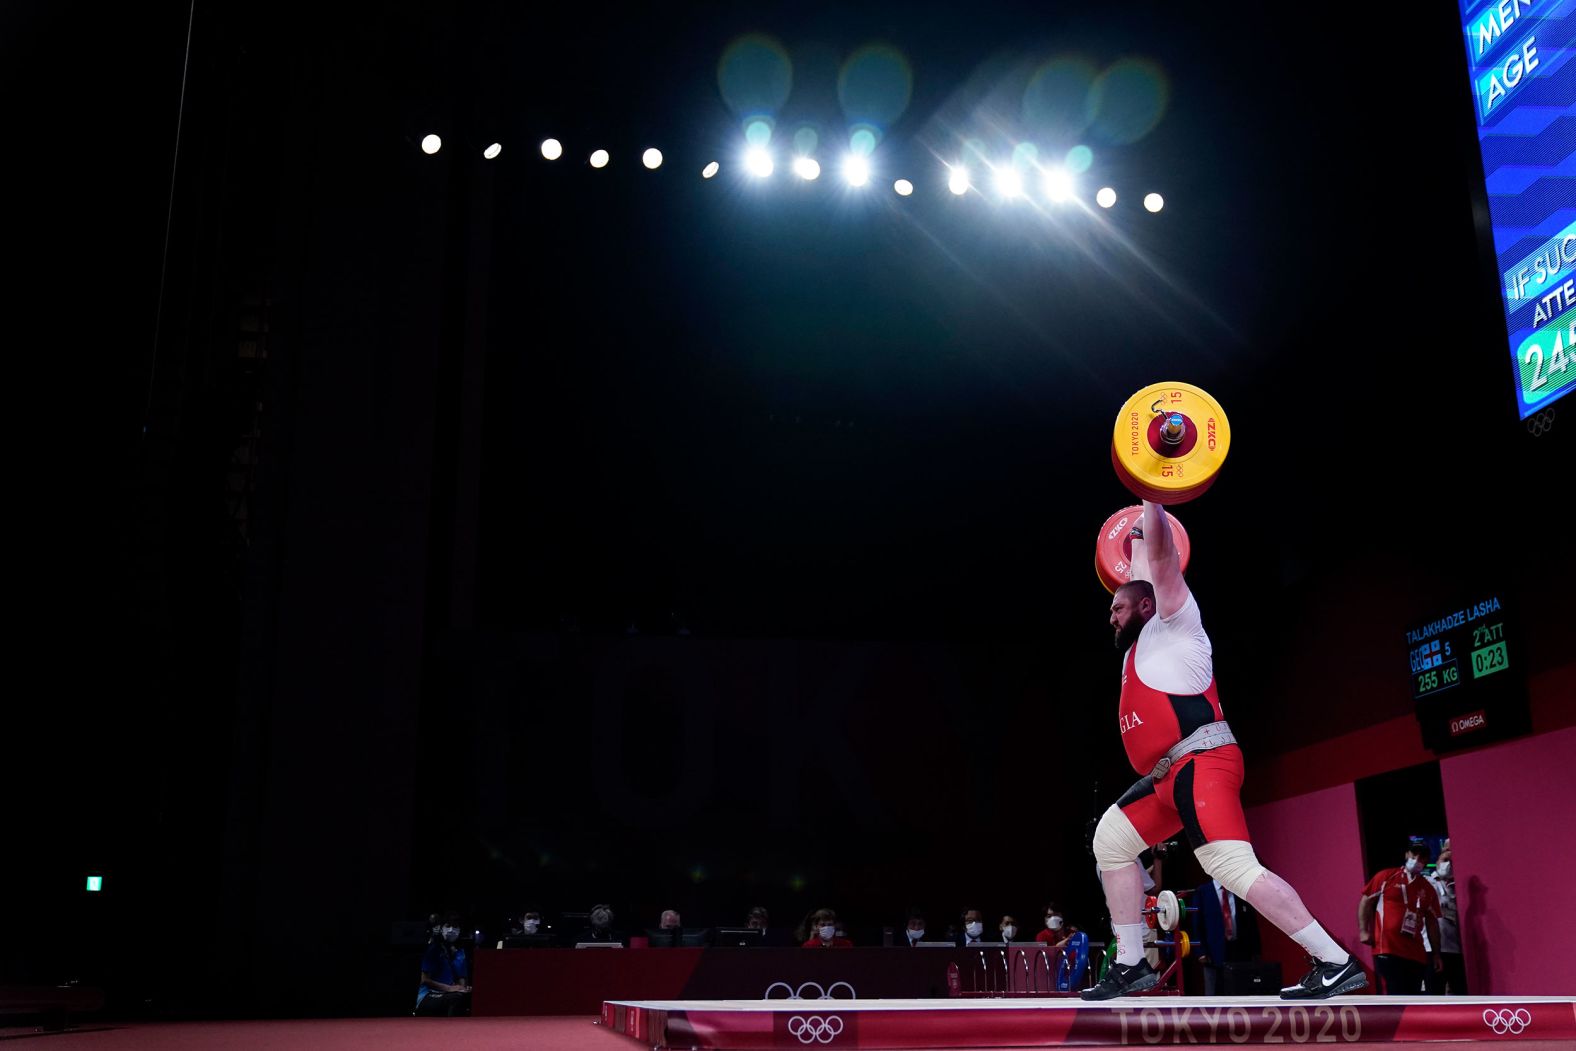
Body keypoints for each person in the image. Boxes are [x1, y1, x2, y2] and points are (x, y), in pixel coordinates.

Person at [1082, 502, 1363, 1001]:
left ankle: (1335, 960)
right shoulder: (1140, 642)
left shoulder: (1177, 623)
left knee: (1229, 867)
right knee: (1111, 840)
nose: (1111, 616)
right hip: (1168, 777)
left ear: (1146, 606)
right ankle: (1130, 965)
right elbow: (1146, 557)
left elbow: (1162, 561)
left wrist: (1152, 491)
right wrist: (1141, 528)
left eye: (1117, 608)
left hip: (1202, 763)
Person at [1359, 842, 1443, 995]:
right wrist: (1364, 931)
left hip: (1415, 953)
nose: (1417, 859)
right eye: (1414, 854)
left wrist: (1436, 954)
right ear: (1406, 855)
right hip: (1388, 948)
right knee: (1394, 994)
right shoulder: (1386, 876)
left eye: (1422, 857)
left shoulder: (1427, 888)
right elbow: (1365, 900)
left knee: (1413, 997)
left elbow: (1432, 923)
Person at [1194, 877, 1263, 994]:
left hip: (1239, 949)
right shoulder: (1203, 892)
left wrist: (1256, 950)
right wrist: (1200, 951)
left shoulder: (1239, 891)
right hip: (1213, 951)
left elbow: (1251, 923)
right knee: (1214, 991)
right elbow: (1196, 923)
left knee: (1241, 988)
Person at [414, 914, 471, 1016]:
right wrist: (449, 988)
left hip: (447, 994)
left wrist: (464, 988)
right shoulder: (434, 949)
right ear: (441, 928)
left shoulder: (460, 953)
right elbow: (425, 980)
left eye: (455, 926)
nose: (451, 930)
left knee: (465, 997)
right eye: (448, 926)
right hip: (428, 995)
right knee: (455, 998)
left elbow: (461, 982)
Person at [1431, 841, 1466, 993]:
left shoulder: (1459, 886)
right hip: (1435, 948)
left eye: (1451, 861)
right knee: (1436, 993)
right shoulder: (1428, 883)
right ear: (1437, 861)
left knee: (1458, 993)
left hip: (1457, 949)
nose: (1448, 864)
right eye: (1445, 860)